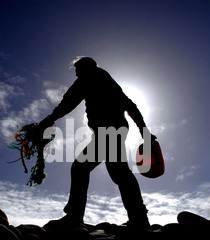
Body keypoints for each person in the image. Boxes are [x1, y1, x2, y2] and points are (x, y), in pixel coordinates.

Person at [39, 57, 155, 229]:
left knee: (83, 168)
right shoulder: (106, 79)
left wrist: (49, 118)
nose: (77, 74)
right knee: (118, 172)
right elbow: (130, 105)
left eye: (78, 70)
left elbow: (68, 102)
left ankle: (75, 217)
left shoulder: (89, 78)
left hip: (109, 131)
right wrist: (144, 131)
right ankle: (139, 217)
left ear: (86, 68)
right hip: (113, 130)